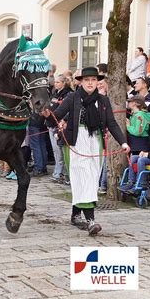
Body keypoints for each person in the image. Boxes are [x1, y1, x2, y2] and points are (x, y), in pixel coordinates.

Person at [43, 67, 130, 236]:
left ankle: (76, 215)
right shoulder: (72, 97)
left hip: (95, 142)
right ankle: (91, 221)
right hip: (75, 143)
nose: (90, 83)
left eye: (93, 80)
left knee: (90, 179)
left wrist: (123, 142)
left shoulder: (103, 100)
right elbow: (56, 116)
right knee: (83, 179)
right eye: (87, 80)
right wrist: (47, 115)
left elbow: (111, 123)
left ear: (98, 82)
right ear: (80, 82)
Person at [47, 75, 72, 183]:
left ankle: (61, 174)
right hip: (51, 124)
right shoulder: (55, 93)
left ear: (63, 83)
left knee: (61, 151)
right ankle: (58, 173)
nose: (56, 84)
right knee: (56, 151)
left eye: (58, 82)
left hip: (60, 125)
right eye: (55, 82)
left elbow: (64, 110)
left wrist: (62, 122)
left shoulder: (67, 94)